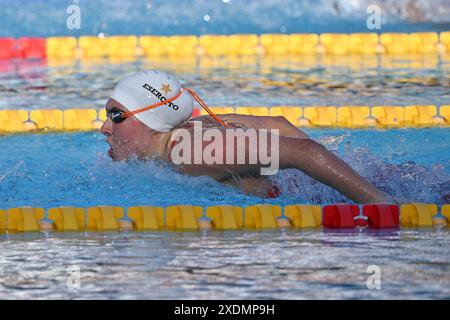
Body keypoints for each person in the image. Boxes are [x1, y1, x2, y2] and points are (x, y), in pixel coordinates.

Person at [100, 70, 389, 203]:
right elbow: (278, 124)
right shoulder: (194, 130)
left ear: (153, 120)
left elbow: (305, 153)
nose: (104, 128)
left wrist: (383, 206)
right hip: (367, 180)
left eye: (116, 116)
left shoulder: (190, 152)